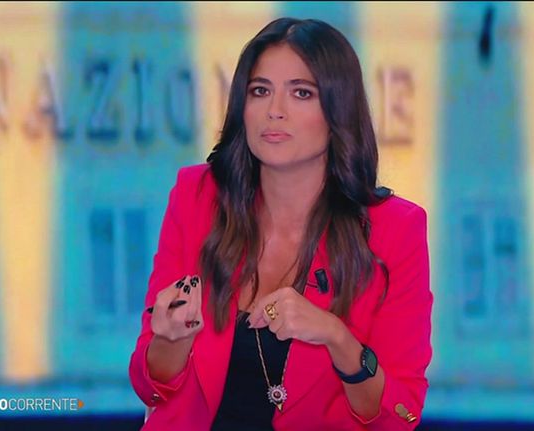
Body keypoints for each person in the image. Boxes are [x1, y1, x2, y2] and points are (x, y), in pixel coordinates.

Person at [129, 17, 432, 430]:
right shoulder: (197, 197)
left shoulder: (395, 230)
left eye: (301, 93)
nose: (275, 111)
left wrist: (337, 338)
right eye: (260, 91)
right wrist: (170, 339)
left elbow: (401, 416)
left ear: (338, 112)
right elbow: (150, 387)